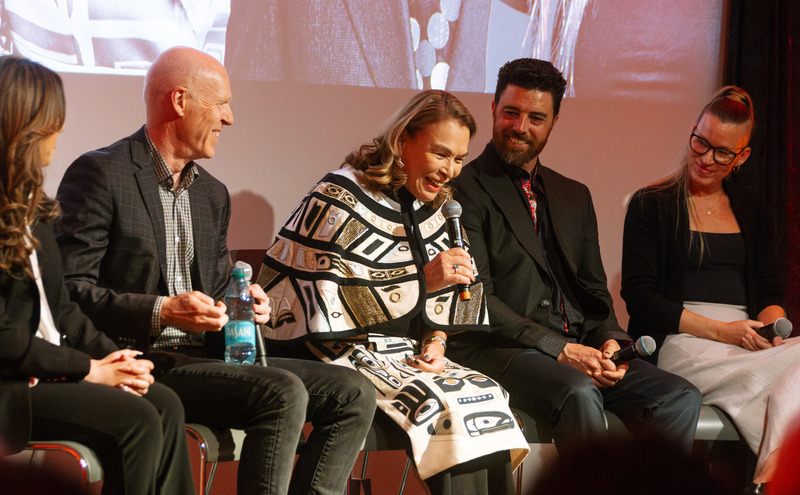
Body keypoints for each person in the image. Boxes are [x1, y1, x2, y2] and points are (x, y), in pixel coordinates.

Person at [55, 46, 375, 495]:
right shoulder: (102, 174)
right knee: (281, 393)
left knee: (353, 392)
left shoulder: (212, 194)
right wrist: (162, 311)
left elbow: (219, 290)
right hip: (140, 359)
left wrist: (243, 305)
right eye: (220, 103)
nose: (229, 118)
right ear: (180, 101)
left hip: (208, 358)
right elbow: (70, 291)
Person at [257, 90, 529, 495]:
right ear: (403, 141)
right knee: (445, 410)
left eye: (458, 158)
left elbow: (451, 301)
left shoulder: (441, 206)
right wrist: (422, 281)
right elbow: (316, 303)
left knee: (485, 397)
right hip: (337, 353)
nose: (450, 171)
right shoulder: (341, 194)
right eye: (440, 154)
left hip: (407, 354)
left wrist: (436, 340)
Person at [447, 58, 703, 454]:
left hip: (578, 348)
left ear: (554, 120)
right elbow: (478, 300)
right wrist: (558, 349)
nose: (520, 127)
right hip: (499, 349)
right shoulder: (462, 188)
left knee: (679, 396)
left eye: (536, 117)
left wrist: (611, 341)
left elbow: (595, 294)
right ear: (493, 109)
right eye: (511, 112)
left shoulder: (574, 195)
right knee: (580, 392)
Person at [0, 55, 194, 495]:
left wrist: (120, 361)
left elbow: (63, 311)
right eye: (52, 120)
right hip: (11, 387)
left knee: (161, 399)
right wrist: (90, 369)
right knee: (137, 419)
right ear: (21, 125)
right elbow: (6, 339)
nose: (60, 131)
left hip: (47, 371)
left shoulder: (32, 206)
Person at [621, 86, 800, 492]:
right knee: (772, 384)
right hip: (680, 338)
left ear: (743, 156)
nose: (706, 158)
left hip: (746, 338)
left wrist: (774, 327)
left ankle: (768, 480)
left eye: (722, 152)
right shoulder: (652, 204)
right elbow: (641, 297)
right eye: (700, 142)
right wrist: (724, 332)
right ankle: (774, 480)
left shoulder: (752, 209)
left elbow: (770, 289)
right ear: (692, 130)